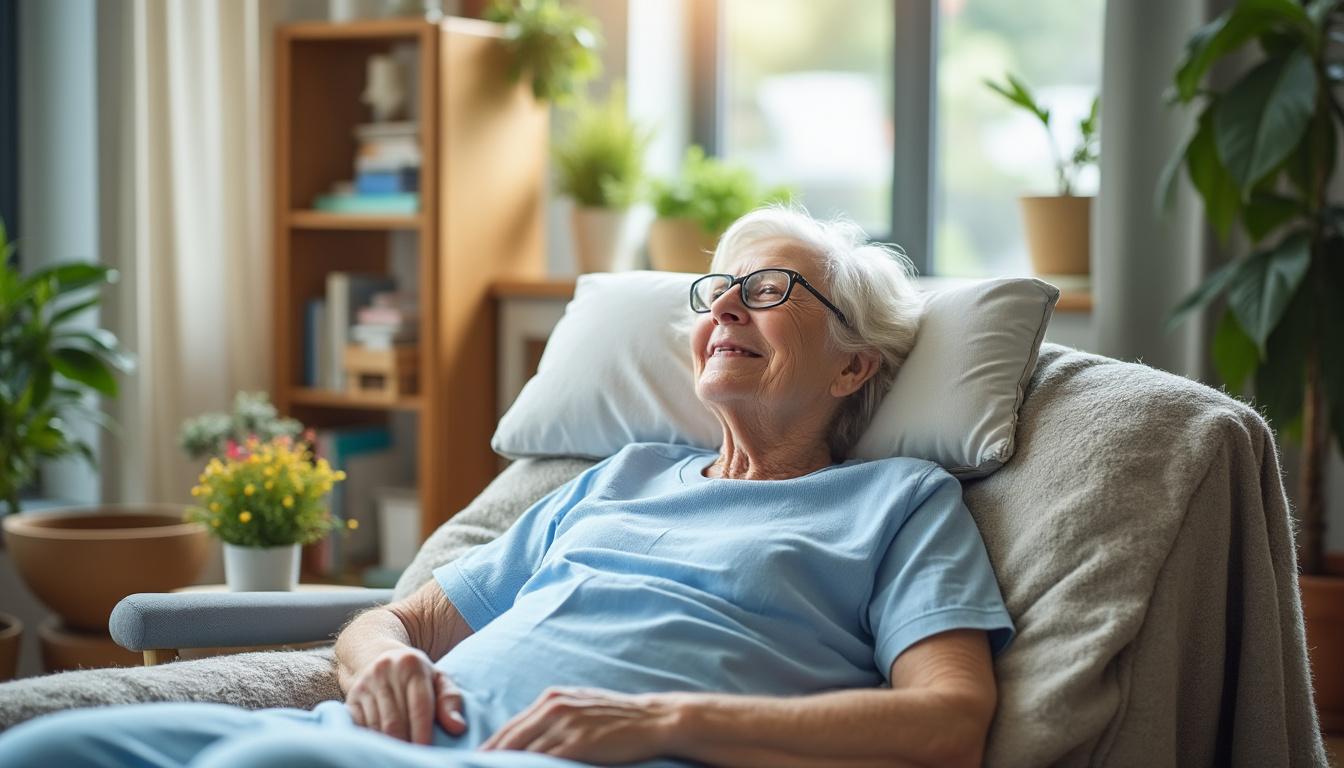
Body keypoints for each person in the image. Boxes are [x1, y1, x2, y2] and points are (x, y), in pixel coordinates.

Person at [0, 207, 1014, 768]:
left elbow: (946, 724)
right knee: (52, 750)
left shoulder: (899, 502)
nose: (725, 311)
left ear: (852, 369)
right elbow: (395, 620)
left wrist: (668, 720)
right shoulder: (625, 476)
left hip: (548, 765)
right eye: (715, 293)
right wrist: (376, 662)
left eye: (771, 290)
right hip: (370, 738)